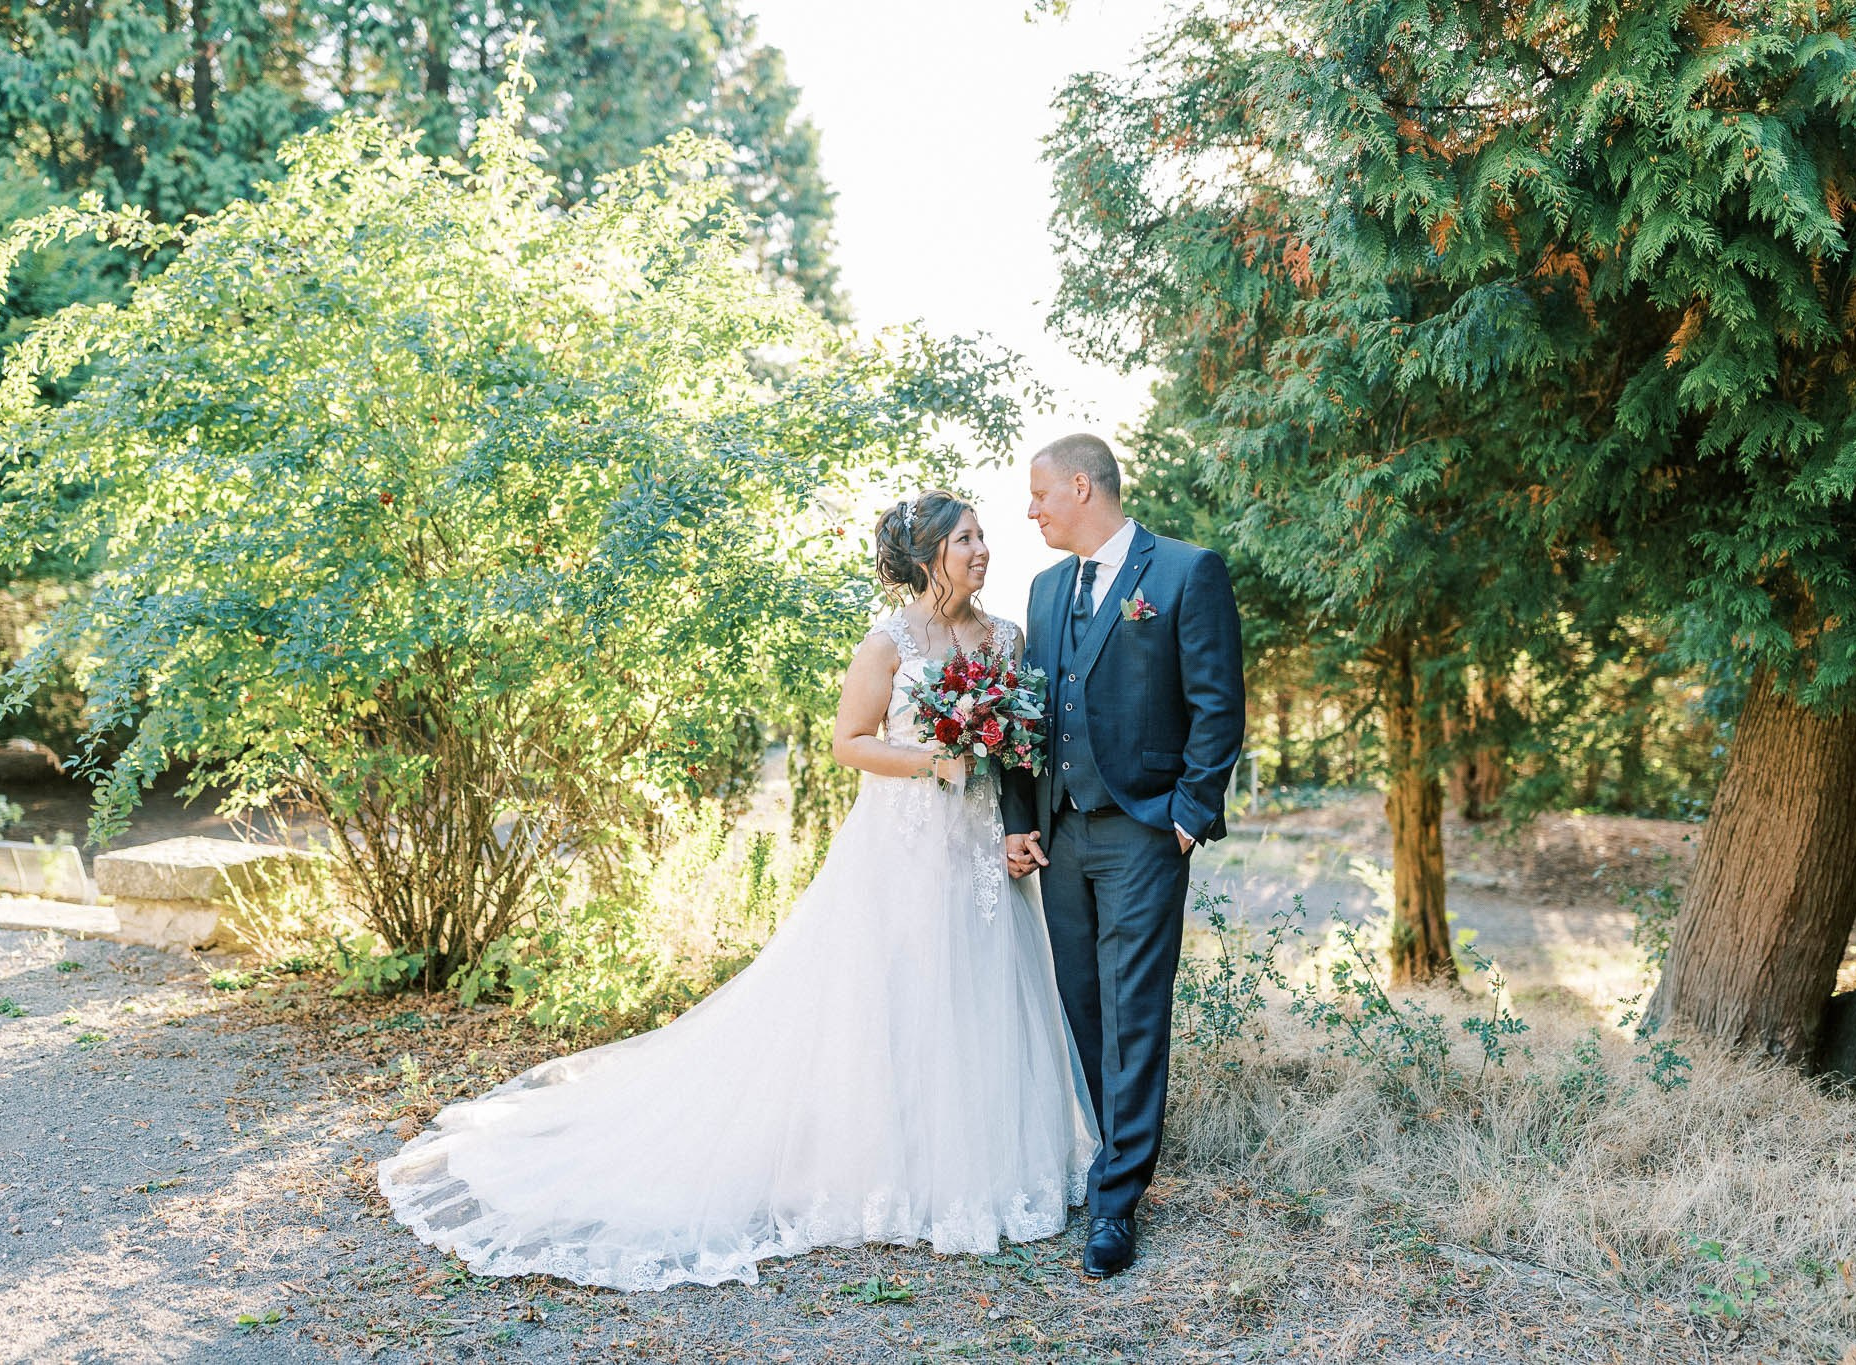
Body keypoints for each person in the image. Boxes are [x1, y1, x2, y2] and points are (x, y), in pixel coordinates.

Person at [379, 489, 1095, 1291]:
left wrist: (1010, 822)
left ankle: (972, 1167)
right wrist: (932, 759)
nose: (982, 549)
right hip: (901, 848)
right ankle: (887, 1171)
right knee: (894, 995)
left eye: (982, 536)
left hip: (977, 844)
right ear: (930, 555)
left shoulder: (1003, 637)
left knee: (979, 994)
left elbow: (1020, 747)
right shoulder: (887, 642)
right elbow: (848, 743)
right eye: (966, 539)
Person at [1001, 433, 1245, 1279]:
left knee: (1134, 1012)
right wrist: (1016, 816)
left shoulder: (1184, 572)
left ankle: (1117, 1204)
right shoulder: (1042, 589)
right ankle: (1113, 1156)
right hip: (1061, 834)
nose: (1029, 511)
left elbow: (1218, 706)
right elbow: (1027, 713)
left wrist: (1186, 816)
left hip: (1145, 832)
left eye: (1038, 495)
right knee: (1083, 1006)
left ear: (1080, 486)